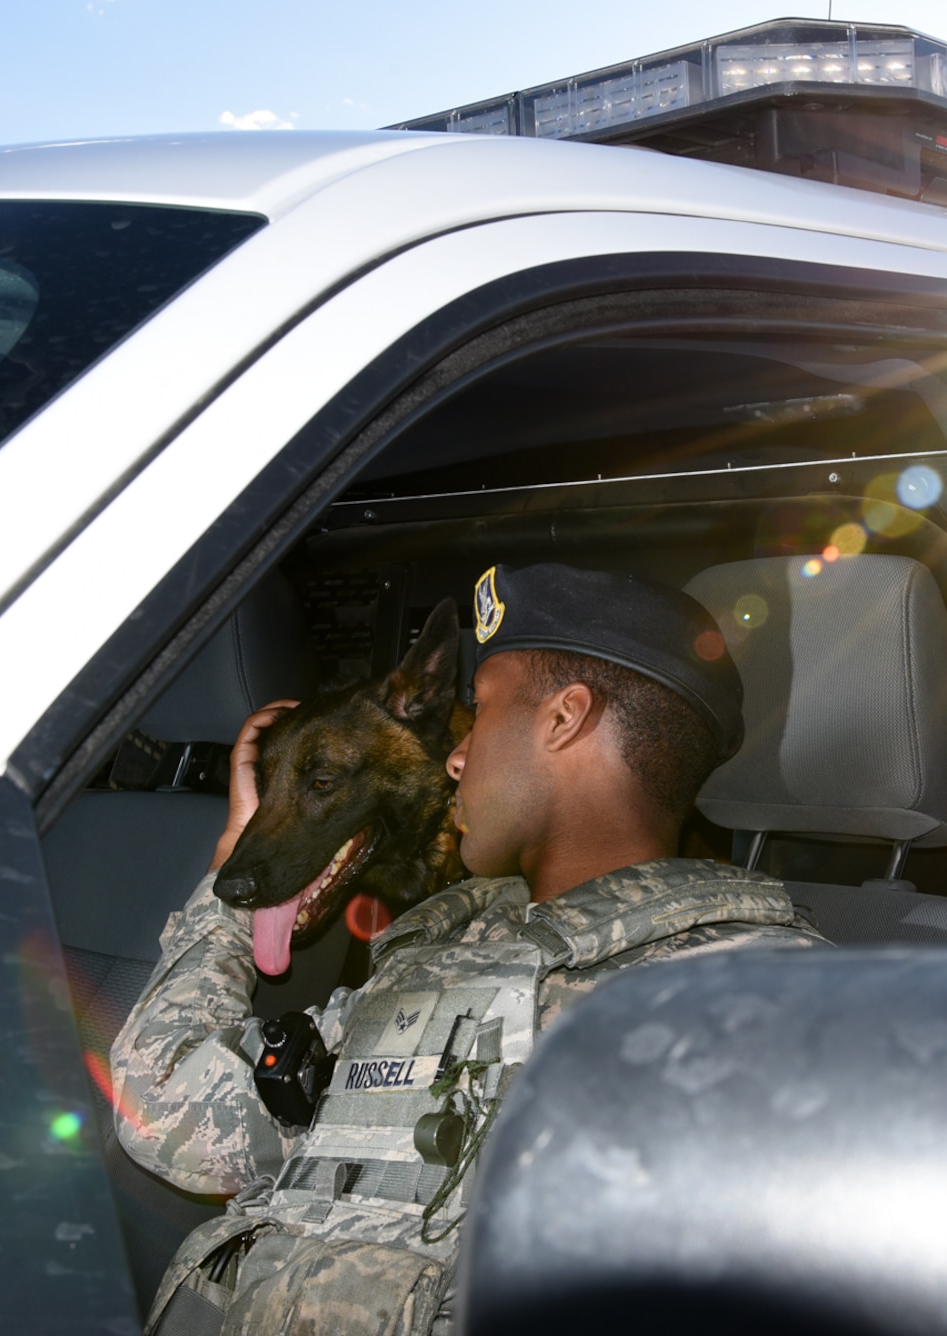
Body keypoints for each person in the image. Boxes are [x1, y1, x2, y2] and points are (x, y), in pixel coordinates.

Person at [110, 563, 829, 1335]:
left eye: (478, 712)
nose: (452, 756)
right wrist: (234, 868)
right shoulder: (440, 955)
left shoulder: (773, 1008)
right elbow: (168, 1110)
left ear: (563, 719)